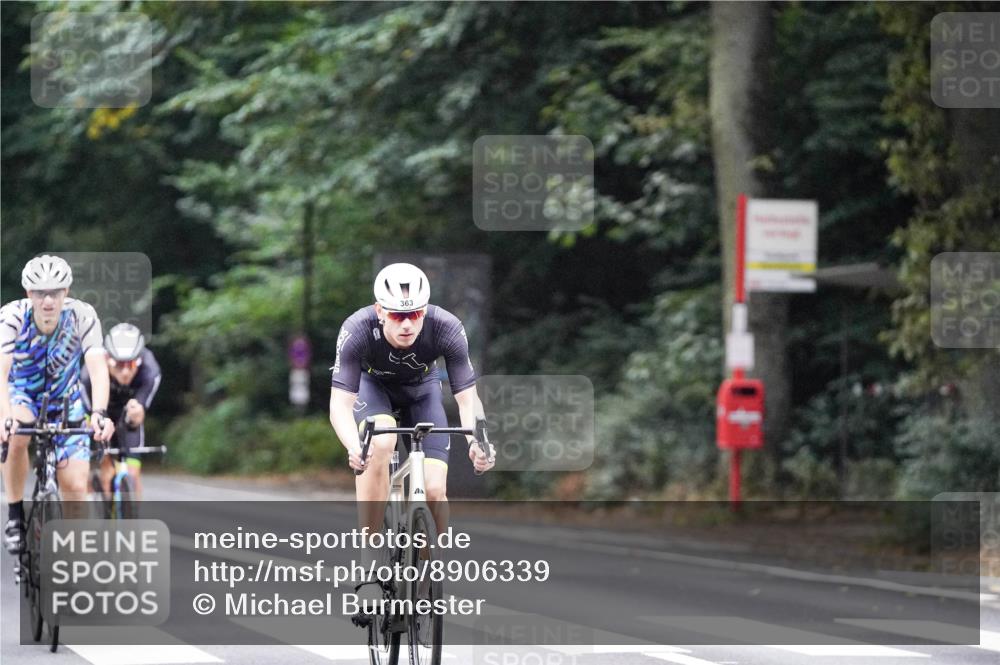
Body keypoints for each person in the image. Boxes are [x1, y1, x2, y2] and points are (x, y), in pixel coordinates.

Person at [329, 263, 495, 543]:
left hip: (422, 392)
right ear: (380, 311)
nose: (407, 324)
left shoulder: (447, 327)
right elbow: (340, 405)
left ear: (425, 309)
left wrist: (478, 442)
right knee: (380, 444)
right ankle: (370, 559)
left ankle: (432, 571)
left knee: (434, 490)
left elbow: (468, 400)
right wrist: (354, 446)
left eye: (415, 313)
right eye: (397, 315)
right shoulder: (357, 328)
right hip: (373, 388)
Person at [1, 255, 114, 555]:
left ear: (67, 291)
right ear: (29, 294)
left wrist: (100, 413)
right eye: (40, 292)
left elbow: (98, 367)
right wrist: (4, 417)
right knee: (16, 434)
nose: (47, 300)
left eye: (55, 291)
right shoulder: (11, 316)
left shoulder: (82, 315)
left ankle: (73, 562)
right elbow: (1, 372)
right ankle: (15, 516)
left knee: (76, 487)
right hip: (23, 395)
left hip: (67, 400)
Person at [80, 322, 161, 501]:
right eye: (118, 364)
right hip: (98, 414)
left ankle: (132, 524)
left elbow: (139, 415)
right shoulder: (89, 373)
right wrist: (106, 454)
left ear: (139, 360)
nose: (125, 372)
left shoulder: (150, 370)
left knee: (133, 473)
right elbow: (87, 414)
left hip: (126, 413)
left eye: (131, 364)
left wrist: (136, 414)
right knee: (106, 470)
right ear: (107, 358)